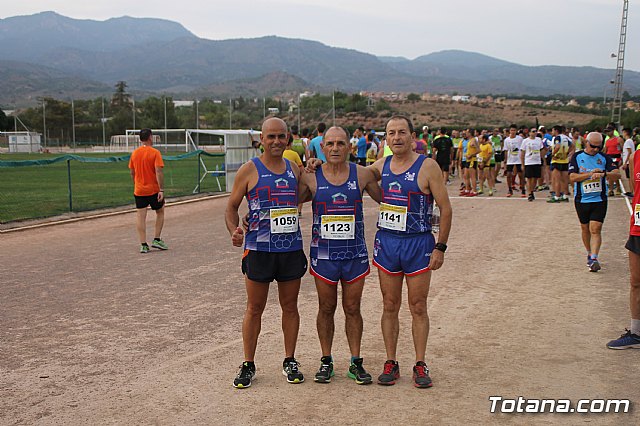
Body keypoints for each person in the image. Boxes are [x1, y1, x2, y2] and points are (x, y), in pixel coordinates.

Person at [225, 117, 307, 388]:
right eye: (270, 137)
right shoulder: (249, 170)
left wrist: (314, 168)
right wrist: (235, 229)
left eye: (280, 137)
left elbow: (306, 193)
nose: (275, 142)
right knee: (254, 308)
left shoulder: (295, 169)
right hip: (259, 250)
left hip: (290, 249)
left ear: (288, 139)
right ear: (261, 139)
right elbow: (231, 207)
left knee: (290, 306)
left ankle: (290, 359)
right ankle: (248, 363)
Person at [370, 116, 452, 388]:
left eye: (402, 132)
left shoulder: (427, 166)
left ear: (412, 136)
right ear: (386, 138)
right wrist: (317, 165)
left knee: (418, 305)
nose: (396, 138)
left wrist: (440, 247)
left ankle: (420, 363)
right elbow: (352, 175)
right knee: (389, 304)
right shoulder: (381, 165)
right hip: (388, 243)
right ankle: (391, 362)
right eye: (391, 133)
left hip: (418, 243)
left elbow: (446, 208)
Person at [298, 126, 382, 385]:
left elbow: (389, 200)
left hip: (354, 254)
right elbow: (287, 203)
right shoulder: (311, 176)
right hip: (324, 256)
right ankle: (326, 360)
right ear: (322, 148)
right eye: (330, 144)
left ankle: (356, 362)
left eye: (341, 143)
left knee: (352, 308)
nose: (335, 148)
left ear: (350, 147)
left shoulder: (363, 174)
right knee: (326, 307)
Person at [568, 131, 620, 272]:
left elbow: (617, 174)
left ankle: (594, 257)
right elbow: (572, 177)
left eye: (599, 147)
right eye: (593, 146)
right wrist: (589, 175)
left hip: (599, 199)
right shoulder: (577, 157)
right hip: (582, 199)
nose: (596, 149)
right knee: (585, 228)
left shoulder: (604, 158)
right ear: (586, 143)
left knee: (595, 229)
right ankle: (589, 253)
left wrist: (604, 174)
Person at [607, 144, 640, 349]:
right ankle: (636, 333)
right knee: (636, 281)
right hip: (638, 226)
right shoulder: (636, 156)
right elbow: (636, 193)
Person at [128, 128, 168, 253]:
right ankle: (156, 238)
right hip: (153, 189)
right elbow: (158, 171)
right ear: (150, 137)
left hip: (139, 190)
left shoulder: (135, 153)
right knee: (160, 211)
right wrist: (161, 189)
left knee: (141, 216)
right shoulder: (155, 153)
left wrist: (136, 184)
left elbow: (132, 172)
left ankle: (143, 244)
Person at [520, 128, 546, 201]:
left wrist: (543, 160)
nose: (534, 133)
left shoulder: (538, 140)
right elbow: (522, 153)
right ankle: (529, 193)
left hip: (537, 161)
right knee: (529, 178)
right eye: (533, 132)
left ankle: (532, 190)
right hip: (529, 161)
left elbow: (542, 150)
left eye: (535, 132)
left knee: (535, 178)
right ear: (529, 133)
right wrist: (522, 163)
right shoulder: (525, 141)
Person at [548, 125, 573, 203]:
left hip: (557, 160)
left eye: (552, 130)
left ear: (556, 130)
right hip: (565, 160)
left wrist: (553, 153)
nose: (552, 132)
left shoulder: (557, 138)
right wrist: (567, 153)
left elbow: (558, 146)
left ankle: (557, 196)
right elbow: (572, 146)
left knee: (557, 180)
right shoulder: (566, 138)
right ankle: (565, 195)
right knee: (565, 180)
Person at [503, 125, 524, 198]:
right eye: (511, 130)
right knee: (509, 175)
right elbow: (505, 150)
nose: (513, 132)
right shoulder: (507, 140)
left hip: (518, 159)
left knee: (521, 175)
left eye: (514, 130)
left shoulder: (520, 139)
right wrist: (505, 160)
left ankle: (523, 188)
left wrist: (522, 159)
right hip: (510, 160)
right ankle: (510, 189)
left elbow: (522, 149)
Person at [621, 128, 635, 197]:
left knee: (630, 177)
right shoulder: (629, 141)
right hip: (629, 161)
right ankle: (631, 190)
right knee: (629, 177)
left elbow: (629, 152)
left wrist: (625, 162)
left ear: (626, 133)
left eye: (623, 132)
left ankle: (632, 191)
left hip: (629, 162)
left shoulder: (628, 141)